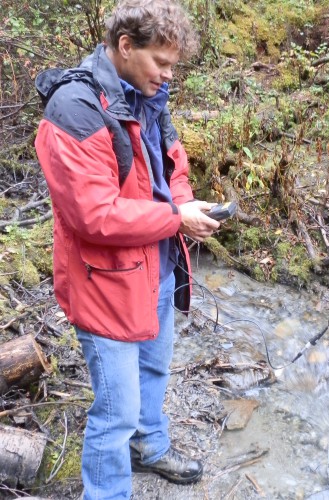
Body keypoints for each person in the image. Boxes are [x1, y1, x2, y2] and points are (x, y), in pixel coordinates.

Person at [34, 1, 220, 498]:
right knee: (113, 414)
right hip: (103, 282)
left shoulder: (150, 96)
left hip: (155, 261)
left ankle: (151, 447)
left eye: (173, 65)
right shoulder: (74, 108)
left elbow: (171, 166)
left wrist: (185, 205)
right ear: (124, 47)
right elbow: (93, 215)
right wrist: (174, 218)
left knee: (154, 367)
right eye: (161, 63)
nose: (168, 74)